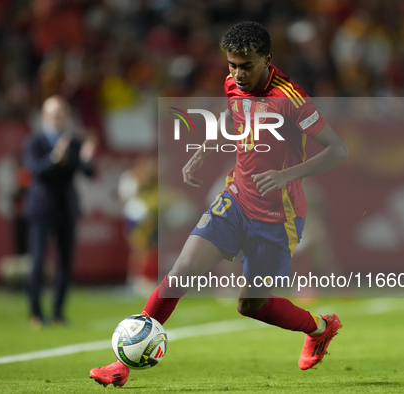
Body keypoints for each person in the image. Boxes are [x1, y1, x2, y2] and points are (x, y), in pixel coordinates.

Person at [90, 21, 349, 387]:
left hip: (278, 215)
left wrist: (286, 176)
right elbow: (233, 116)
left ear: (267, 59)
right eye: (232, 65)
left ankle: (321, 328)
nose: (238, 74)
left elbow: (338, 150)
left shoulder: (290, 99)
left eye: (246, 65)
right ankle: (121, 366)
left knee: (251, 305)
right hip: (236, 199)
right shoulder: (232, 85)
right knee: (180, 274)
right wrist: (203, 149)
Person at [24, 95, 96, 328]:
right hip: (42, 207)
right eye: (54, 114)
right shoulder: (34, 142)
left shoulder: (73, 143)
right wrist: (56, 158)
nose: (58, 118)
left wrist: (87, 159)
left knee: (65, 262)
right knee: (38, 260)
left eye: (62, 113)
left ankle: (58, 313)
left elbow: (87, 173)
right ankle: (35, 313)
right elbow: (36, 171)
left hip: (66, 207)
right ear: (45, 116)